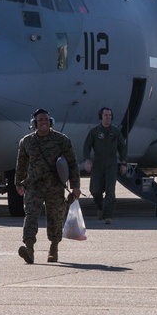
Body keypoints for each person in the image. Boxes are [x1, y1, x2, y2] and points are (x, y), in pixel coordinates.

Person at [15, 108, 81, 263]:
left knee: (55, 218)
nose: (43, 122)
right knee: (31, 215)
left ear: (51, 122)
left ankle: (53, 248)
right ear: (34, 124)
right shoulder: (27, 142)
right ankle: (29, 248)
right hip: (34, 186)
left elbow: (72, 163)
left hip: (55, 186)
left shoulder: (61, 140)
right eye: (40, 120)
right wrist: (18, 183)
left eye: (46, 120)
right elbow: (21, 165)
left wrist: (75, 186)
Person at [82, 106, 128, 224]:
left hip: (111, 163)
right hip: (97, 163)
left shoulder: (115, 132)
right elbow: (87, 146)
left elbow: (122, 147)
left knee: (110, 190)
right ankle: (100, 207)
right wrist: (87, 160)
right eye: (105, 115)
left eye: (109, 115)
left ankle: (108, 216)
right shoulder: (95, 132)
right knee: (95, 190)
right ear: (101, 116)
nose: (108, 117)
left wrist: (123, 163)